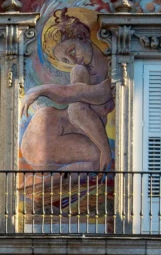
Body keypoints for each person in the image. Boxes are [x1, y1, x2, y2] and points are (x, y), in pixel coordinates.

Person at [20, 10, 113, 172]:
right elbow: (76, 106)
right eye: (65, 60)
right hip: (44, 134)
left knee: (98, 161)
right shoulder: (80, 71)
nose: (72, 61)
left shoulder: (112, 70)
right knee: (99, 158)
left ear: (82, 36)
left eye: (71, 51)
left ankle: (46, 179)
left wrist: (39, 90)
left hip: (56, 134)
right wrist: (106, 150)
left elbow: (86, 94)